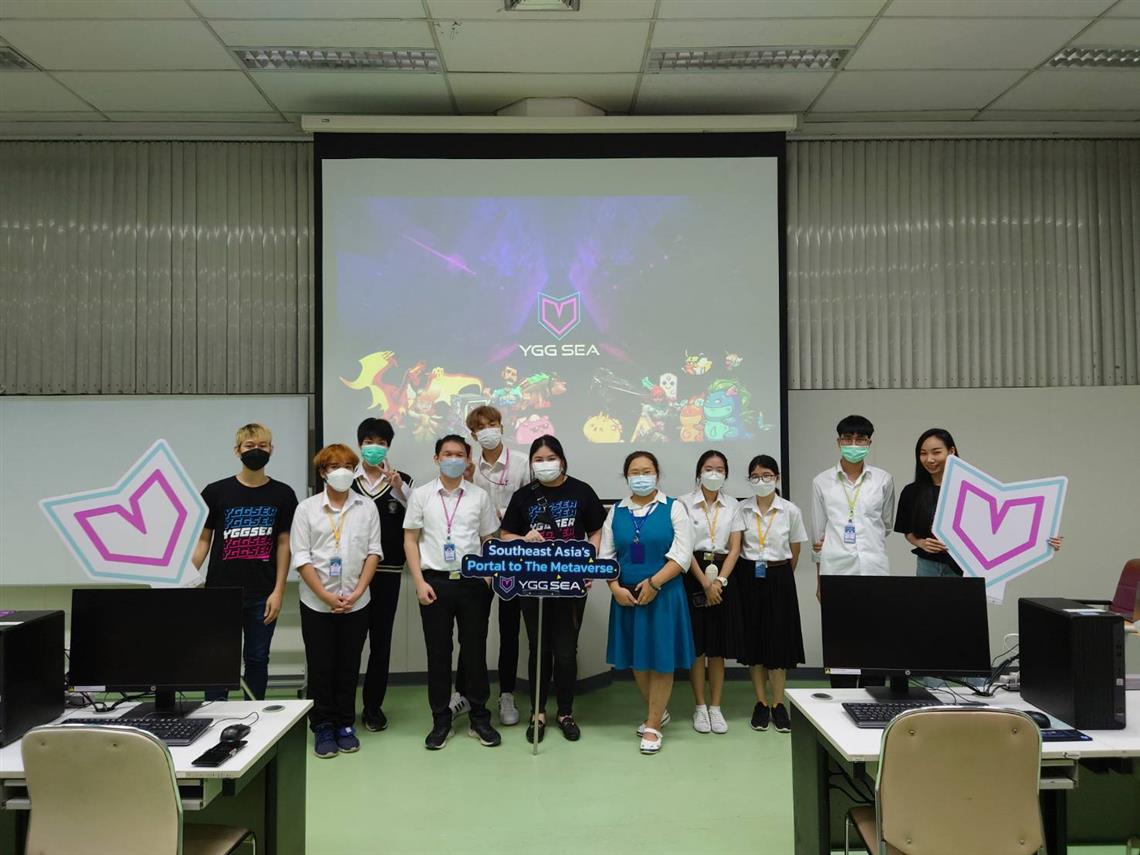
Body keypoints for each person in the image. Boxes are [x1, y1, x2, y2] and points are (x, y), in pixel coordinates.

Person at [499, 435, 607, 744]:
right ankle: (538, 712)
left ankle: (565, 712)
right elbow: (506, 534)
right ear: (531, 464)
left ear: (562, 460)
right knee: (538, 649)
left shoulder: (581, 491)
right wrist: (524, 539)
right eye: (538, 459)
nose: (545, 464)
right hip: (533, 584)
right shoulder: (523, 496)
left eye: (550, 458)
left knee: (566, 651)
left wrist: (589, 563)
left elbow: (597, 529)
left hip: (571, 584)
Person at [404, 435, 502, 750]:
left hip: (473, 583)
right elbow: (410, 540)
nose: (453, 459)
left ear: (468, 460)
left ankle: (479, 717)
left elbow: (488, 538)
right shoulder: (421, 496)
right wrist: (419, 582)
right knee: (438, 653)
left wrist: (488, 576)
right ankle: (440, 720)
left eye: (460, 454)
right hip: (434, 583)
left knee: (474, 652)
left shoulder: (479, 496)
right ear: (436, 459)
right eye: (447, 454)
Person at [193, 423, 298, 702]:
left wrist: (279, 591)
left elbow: (284, 544)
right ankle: (215, 713)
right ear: (237, 450)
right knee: (218, 657)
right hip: (220, 592)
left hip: (263, 593)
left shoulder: (283, 494)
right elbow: (203, 541)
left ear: (271, 450)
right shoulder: (216, 492)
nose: (256, 451)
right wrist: (184, 577)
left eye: (262, 446)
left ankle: (255, 714)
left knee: (257, 658)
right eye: (250, 446)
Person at [290, 444, 382, 759]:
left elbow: (374, 552)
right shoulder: (306, 509)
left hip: (357, 600)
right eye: (334, 466)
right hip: (317, 602)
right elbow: (301, 558)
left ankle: (345, 723)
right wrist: (325, 595)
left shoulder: (367, 507)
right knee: (321, 665)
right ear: (322, 472)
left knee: (348, 664)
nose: (341, 471)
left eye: (347, 466)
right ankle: (323, 725)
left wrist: (357, 592)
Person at [602, 451, 695, 755]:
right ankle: (659, 711)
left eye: (646, 471)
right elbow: (606, 555)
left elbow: (682, 554)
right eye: (634, 472)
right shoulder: (616, 512)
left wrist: (654, 583)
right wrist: (614, 587)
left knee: (661, 659)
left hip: (664, 594)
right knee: (638, 660)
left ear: (657, 474)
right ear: (626, 476)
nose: (641, 477)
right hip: (627, 596)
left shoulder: (674, 508)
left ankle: (653, 724)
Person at [895, 428, 1062, 577]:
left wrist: (1045, 538)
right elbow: (907, 531)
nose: (929, 459)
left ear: (951, 451)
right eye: (923, 453)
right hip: (927, 566)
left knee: (963, 604)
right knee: (926, 604)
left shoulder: (972, 488)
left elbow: (1001, 524)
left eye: (936, 452)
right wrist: (921, 543)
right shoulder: (912, 491)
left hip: (966, 566)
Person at [456, 405, 530, 727]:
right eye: (481, 427)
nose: (488, 430)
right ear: (473, 435)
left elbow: (531, 507)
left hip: (514, 554)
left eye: (493, 424)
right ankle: (463, 692)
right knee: (472, 627)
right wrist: (467, 480)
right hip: (480, 554)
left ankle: (507, 693)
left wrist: (507, 520)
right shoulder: (468, 467)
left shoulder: (522, 463)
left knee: (509, 627)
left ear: (501, 426)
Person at [809, 415, 895, 689]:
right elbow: (818, 536)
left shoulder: (883, 480)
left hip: (874, 569)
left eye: (861, 439)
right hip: (836, 570)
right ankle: (842, 695)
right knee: (840, 640)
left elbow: (886, 524)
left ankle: (874, 694)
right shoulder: (821, 482)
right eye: (848, 439)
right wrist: (820, 581)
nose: (854, 444)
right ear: (838, 442)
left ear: (869, 443)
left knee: (875, 637)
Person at [737, 455, 808, 734]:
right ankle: (761, 703)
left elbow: (795, 550)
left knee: (779, 642)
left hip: (779, 577)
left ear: (777, 477)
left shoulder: (790, 510)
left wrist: (780, 574)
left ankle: (778, 704)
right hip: (749, 577)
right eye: (755, 476)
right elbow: (737, 546)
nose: (761, 480)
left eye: (767, 475)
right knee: (754, 641)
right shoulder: (742, 509)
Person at [351, 417, 413, 732]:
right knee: (350, 642)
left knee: (381, 642)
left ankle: (373, 708)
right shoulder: (345, 479)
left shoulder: (403, 480)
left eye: (381, 443)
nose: (374, 448)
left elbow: (417, 518)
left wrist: (399, 487)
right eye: (369, 442)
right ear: (359, 445)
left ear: (388, 447)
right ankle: (344, 708)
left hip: (388, 571)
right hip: (350, 573)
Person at [678, 450, 744, 735]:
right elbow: (683, 546)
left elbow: (735, 548)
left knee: (717, 648)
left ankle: (716, 707)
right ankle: (700, 707)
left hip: (723, 575)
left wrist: (719, 582)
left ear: (726, 474)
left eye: (719, 469)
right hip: (693, 573)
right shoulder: (683, 503)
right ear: (699, 472)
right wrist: (705, 584)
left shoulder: (733, 505)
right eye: (708, 468)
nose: (713, 474)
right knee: (698, 647)